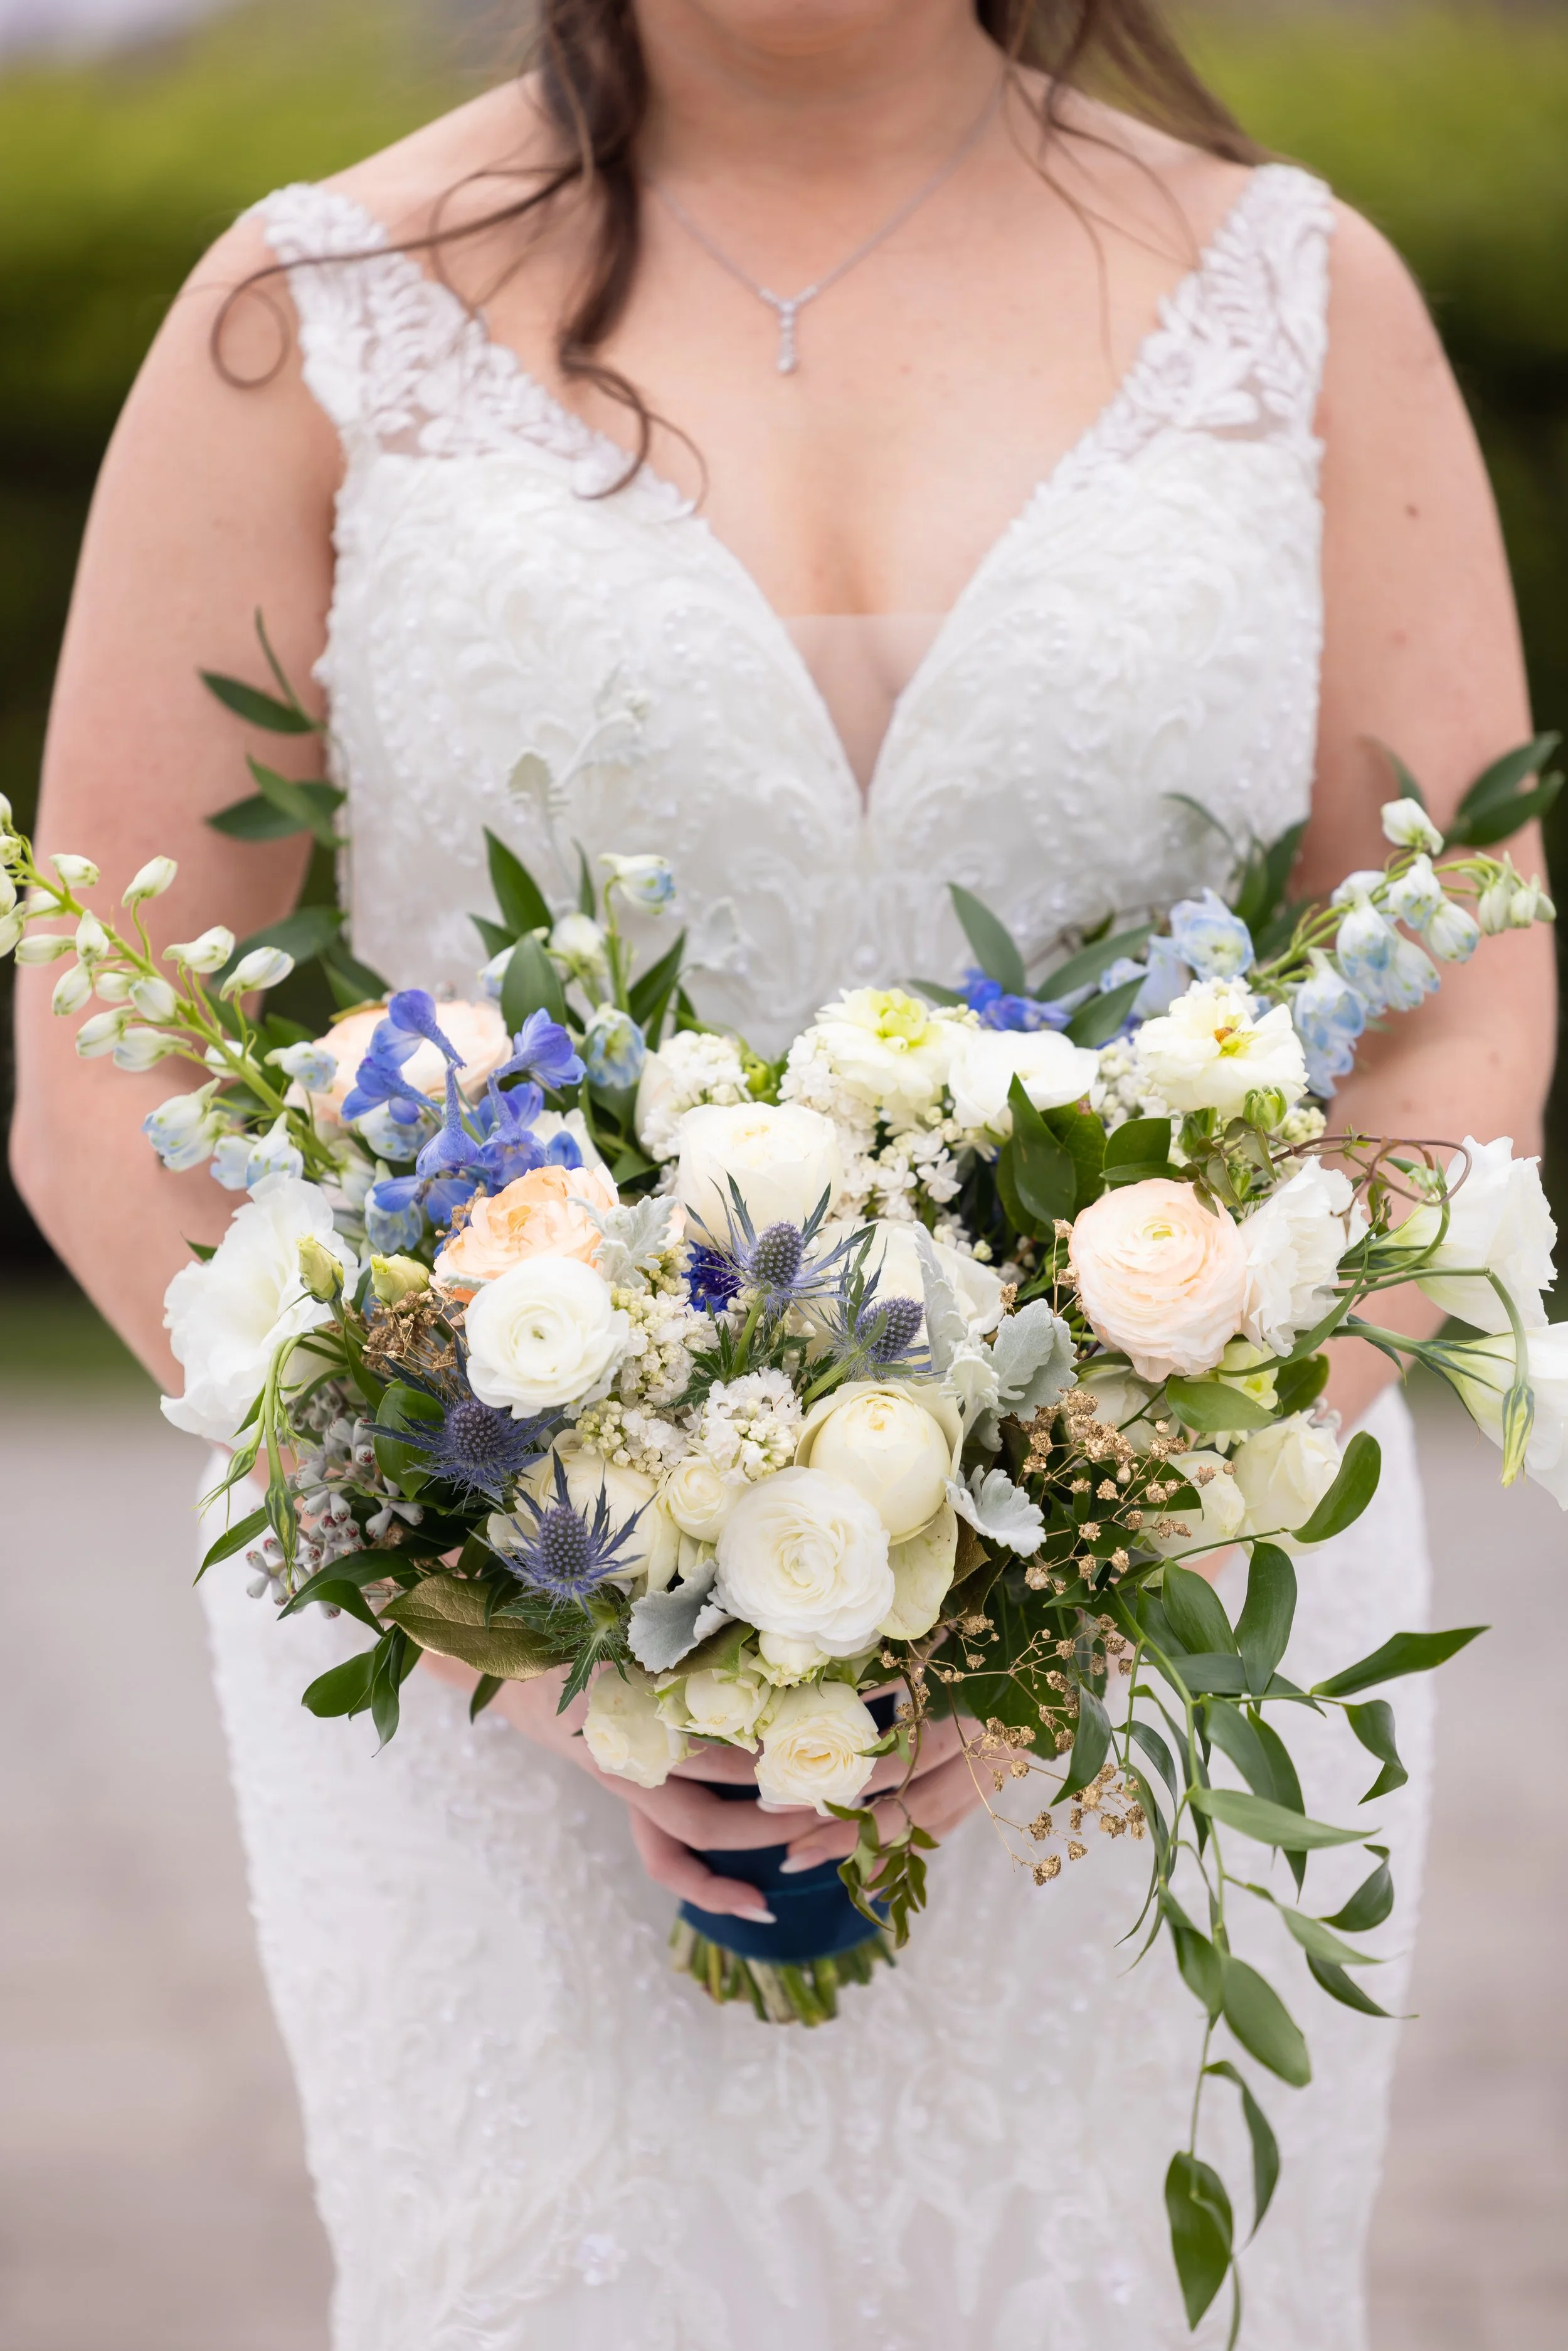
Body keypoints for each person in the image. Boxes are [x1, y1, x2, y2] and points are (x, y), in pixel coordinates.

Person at [11, 1, 1554, 2343]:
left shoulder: (1293, 299)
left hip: (1160, 1667)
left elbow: (1446, 984)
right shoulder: (301, 320)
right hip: (493, 1631)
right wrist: (523, 1626)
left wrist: (1152, 1498)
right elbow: (99, 1045)